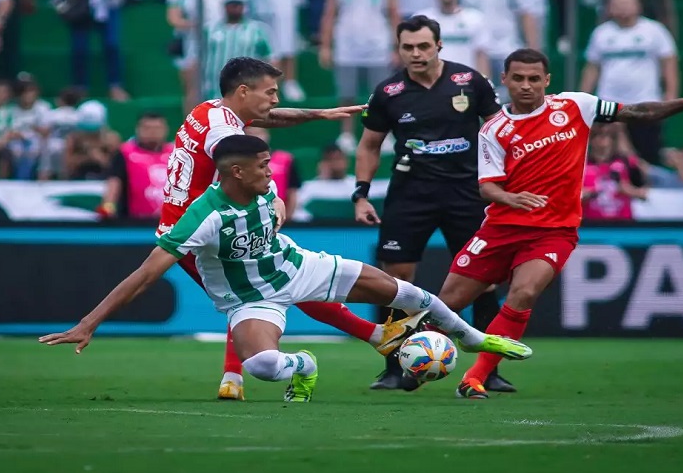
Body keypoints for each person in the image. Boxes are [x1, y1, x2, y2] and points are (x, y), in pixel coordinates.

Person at [39, 133, 533, 402]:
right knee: (262, 366)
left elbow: (274, 209)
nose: (269, 171)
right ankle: (305, 367)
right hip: (249, 299)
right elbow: (146, 274)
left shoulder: (261, 184)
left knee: (404, 292)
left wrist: (275, 214)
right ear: (235, 172)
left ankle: (476, 340)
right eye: (261, 166)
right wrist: (89, 323)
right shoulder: (204, 217)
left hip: (301, 267)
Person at [433, 49, 683, 398]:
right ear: (505, 80)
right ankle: (409, 363)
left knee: (524, 293)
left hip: (554, 231)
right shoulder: (494, 129)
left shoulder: (575, 106)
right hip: (500, 228)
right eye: (519, 78)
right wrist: (510, 198)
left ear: (547, 81)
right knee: (444, 306)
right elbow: (487, 187)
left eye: (534, 79)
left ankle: (476, 377)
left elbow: (636, 112)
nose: (527, 86)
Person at [157, 56, 420, 401]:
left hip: (181, 223)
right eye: (270, 91)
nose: (275, 100)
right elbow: (235, 161)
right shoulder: (224, 130)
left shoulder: (209, 109)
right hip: (200, 231)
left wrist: (317, 114)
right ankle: (374, 336)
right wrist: (271, 195)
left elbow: (266, 118)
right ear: (242, 90)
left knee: (256, 289)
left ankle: (234, 377)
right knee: (263, 288)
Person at [353, 15, 513, 391]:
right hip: (411, 194)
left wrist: (504, 184)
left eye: (423, 46)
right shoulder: (388, 92)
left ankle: (488, 371)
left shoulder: (470, 81)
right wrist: (361, 194)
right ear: (399, 49)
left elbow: (500, 133)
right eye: (408, 47)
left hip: (467, 194)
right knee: (395, 280)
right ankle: (395, 367)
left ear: (439, 45)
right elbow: (369, 145)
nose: (416, 53)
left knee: (484, 281)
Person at [320, 0, 399, 153]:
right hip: (347, 47)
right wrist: (326, 46)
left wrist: (396, 47)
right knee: (347, 94)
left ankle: (386, 133)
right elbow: (329, 15)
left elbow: (393, 15)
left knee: (383, 94)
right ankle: (346, 134)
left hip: (378, 46)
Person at [580, 0, 678, 165]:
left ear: (638, 6)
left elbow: (669, 62)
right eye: (617, 4)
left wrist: (670, 94)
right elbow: (592, 68)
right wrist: (583, 97)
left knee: (648, 153)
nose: (622, 8)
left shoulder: (654, 31)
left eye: (627, 3)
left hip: (645, 102)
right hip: (610, 105)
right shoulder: (601, 33)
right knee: (610, 156)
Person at [461, 0, 537, 84]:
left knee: (512, 88)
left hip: (507, 47)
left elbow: (525, 15)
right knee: (481, 88)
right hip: (476, 50)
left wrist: (532, 47)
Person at [198, 0, 272, 102]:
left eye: (239, 4)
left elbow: (269, 58)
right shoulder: (209, 29)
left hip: (247, 89)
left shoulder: (257, 29)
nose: (235, 8)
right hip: (214, 90)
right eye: (231, 4)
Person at [100, 112, 172, 219]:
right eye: (147, 128)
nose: (153, 132)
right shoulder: (125, 153)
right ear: (138, 129)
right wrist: (107, 207)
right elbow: (114, 183)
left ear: (166, 129)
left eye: (157, 128)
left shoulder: (177, 153)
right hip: (134, 223)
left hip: (172, 223)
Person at [420, 0, 489, 74]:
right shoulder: (424, 19)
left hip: (467, 78)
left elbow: (481, 53)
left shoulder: (474, 18)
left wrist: (484, 81)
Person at [582, 125, 647, 220]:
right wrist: (584, 194)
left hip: (622, 225)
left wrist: (628, 190)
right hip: (592, 226)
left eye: (606, 135)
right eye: (597, 135)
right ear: (591, 140)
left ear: (613, 140)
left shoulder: (626, 163)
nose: (602, 140)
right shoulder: (582, 166)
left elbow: (644, 194)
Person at [245, 126, 301, 218]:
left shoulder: (286, 159)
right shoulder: (239, 163)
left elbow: (292, 192)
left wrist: (287, 219)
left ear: (267, 134)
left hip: (278, 215)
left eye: (259, 133)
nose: (255, 137)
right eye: (250, 134)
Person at [63, 100, 121, 180]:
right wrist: (86, 158)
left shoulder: (111, 139)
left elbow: (119, 169)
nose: (90, 135)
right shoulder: (73, 138)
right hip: (78, 180)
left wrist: (101, 158)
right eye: (87, 131)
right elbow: (67, 168)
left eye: (94, 131)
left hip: (105, 180)